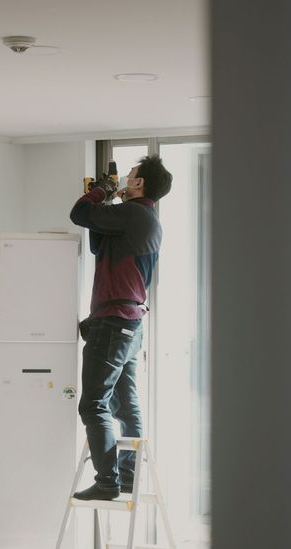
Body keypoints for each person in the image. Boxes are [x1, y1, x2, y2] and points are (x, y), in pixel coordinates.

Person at [69, 155, 172, 500]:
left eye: (130, 177)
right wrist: (108, 196)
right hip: (128, 325)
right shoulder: (145, 219)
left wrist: (102, 191)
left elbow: (79, 213)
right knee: (125, 405)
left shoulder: (133, 214)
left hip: (113, 324)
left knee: (93, 404)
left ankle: (107, 482)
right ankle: (127, 476)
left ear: (140, 183)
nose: (125, 180)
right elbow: (97, 238)